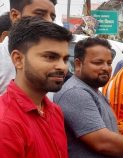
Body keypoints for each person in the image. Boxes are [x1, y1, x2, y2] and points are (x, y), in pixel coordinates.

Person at [54, 37, 123, 158]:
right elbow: (103, 142)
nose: (106, 68)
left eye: (109, 63)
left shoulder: (93, 90)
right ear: (78, 64)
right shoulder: (75, 92)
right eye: (98, 63)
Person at [0, 16, 72, 157]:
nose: (62, 67)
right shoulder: (5, 123)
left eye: (65, 59)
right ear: (18, 59)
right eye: (50, 57)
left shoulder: (54, 111)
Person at [0, 0, 57, 94]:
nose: (49, 21)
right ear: (15, 16)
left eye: (52, 17)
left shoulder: (54, 62)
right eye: (40, 14)